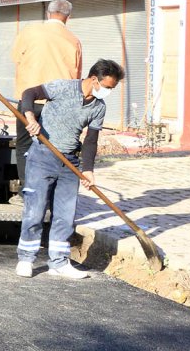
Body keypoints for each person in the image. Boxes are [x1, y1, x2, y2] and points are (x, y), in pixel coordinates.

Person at [15, 58, 124, 280]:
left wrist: (89, 170)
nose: (109, 92)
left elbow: (91, 140)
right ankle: (26, 259)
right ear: (94, 79)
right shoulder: (62, 87)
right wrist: (30, 116)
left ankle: (59, 262)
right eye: (108, 87)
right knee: (35, 212)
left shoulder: (98, 107)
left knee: (65, 215)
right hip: (42, 157)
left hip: (69, 163)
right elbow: (29, 93)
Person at [10, 0, 83, 197]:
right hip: (59, 105)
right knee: (55, 146)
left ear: (48, 13)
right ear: (68, 17)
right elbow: (76, 77)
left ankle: (28, 192)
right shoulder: (73, 40)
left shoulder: (29, 32)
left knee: (25, 144)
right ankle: (50, 192)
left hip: (29, 101)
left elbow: (16, 58)